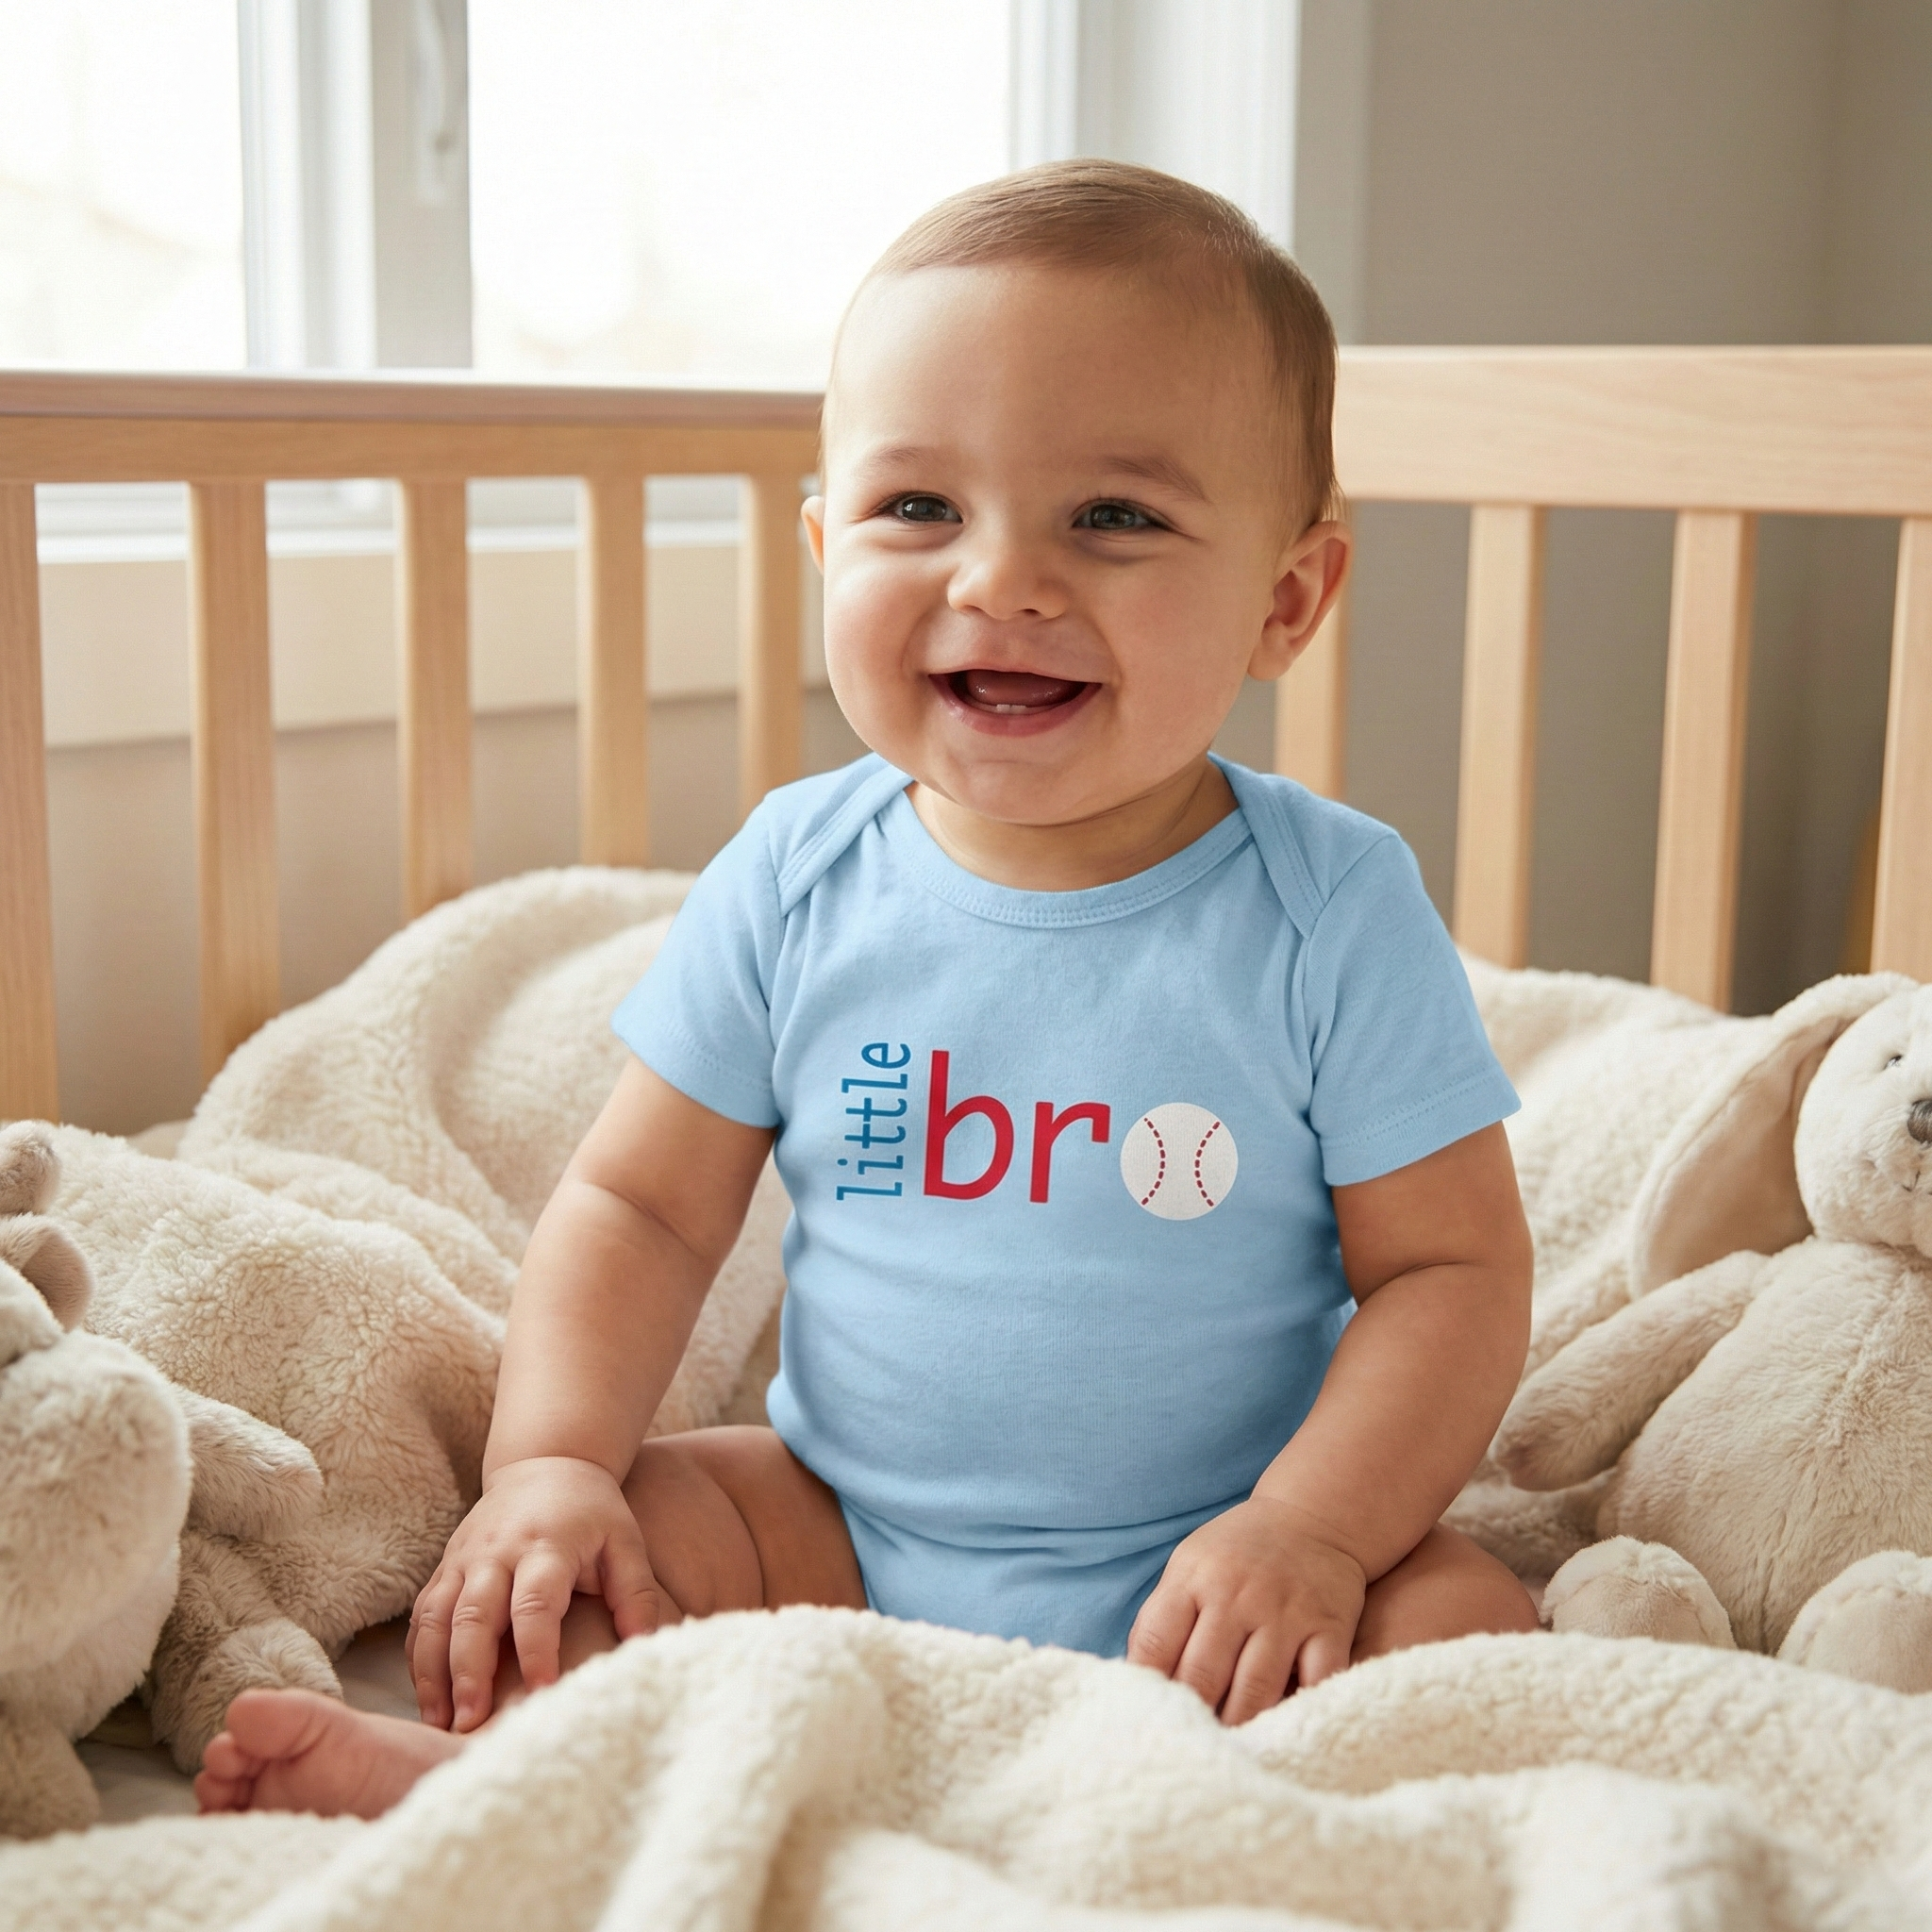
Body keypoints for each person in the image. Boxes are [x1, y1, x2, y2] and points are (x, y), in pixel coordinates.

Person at [195, 158, 1537, 1822]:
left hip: (1217, 1551)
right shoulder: (798, 873)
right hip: (837, 1528)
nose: (1001, 581)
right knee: (606, 1552)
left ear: (1286, 599)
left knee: (1469, 1624)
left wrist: (1315, 1531)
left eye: (1113, 517)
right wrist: (550, 1463)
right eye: (920, 510)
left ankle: (1210, 1833)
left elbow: (1452, 1273)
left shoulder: (1329, 905)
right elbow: (640, 1207)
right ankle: (495, 1784)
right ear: (828, 542)